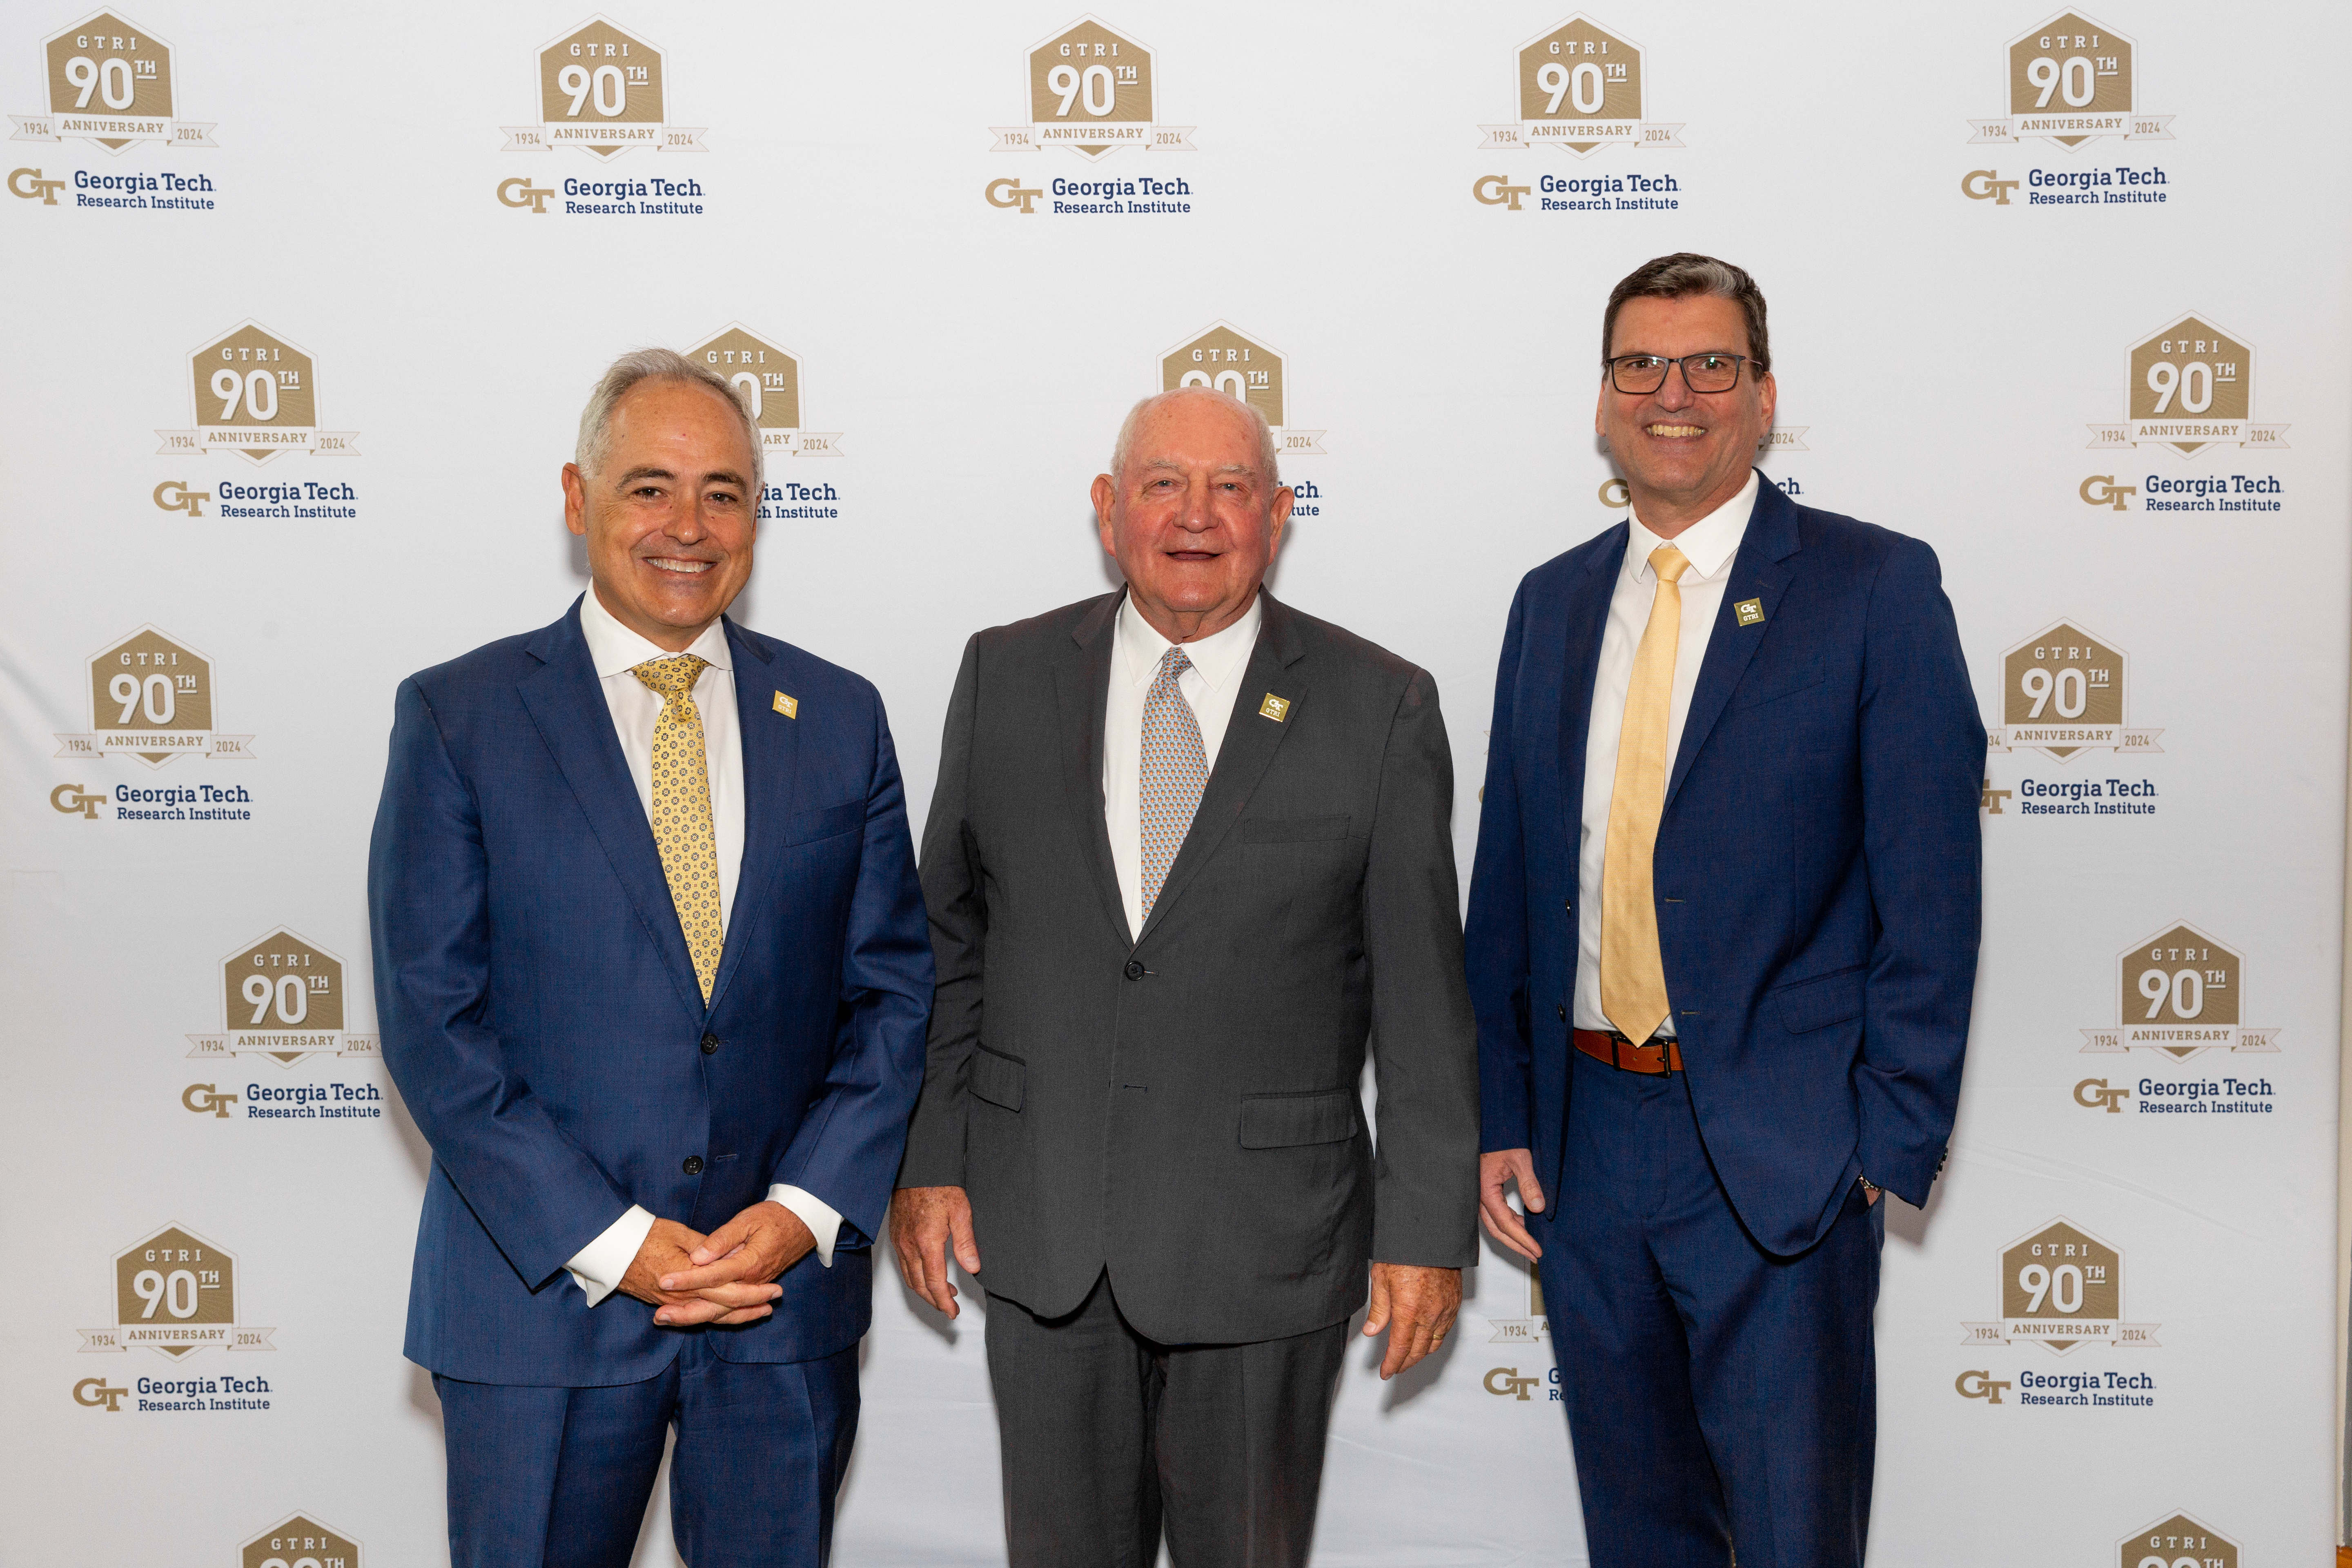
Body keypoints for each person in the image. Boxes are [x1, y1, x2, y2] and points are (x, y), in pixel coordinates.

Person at [891, 385, 1479, 1568]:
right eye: (1164, 484)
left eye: (1231, 487)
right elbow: (948, 946)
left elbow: (1424, 1004)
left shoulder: (1381, 705)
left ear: (1280, 512)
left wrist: (1426, 1232)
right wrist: (932, 1159)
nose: (1196, 515)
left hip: (1267, 1245)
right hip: (1045, 1227)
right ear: (1111, 510)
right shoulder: (1004, 675)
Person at [367, 348, 931, 1568]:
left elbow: (890, 996)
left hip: (776, 1306)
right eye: (650, 488)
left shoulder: (840, 717)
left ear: (758, 517)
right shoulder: (460, 717)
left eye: (724, 492)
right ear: (578, 500)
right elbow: (433, 1022)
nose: (690, 526)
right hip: (544, 1309)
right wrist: (620, 1244)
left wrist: (797, 1216)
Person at [1464, 253, 1984, 1568]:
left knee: (1796, 1535)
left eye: (1710, 364)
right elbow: (1513, 891)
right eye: (1641, 363)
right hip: (1586, 1155)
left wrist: (1881, 1140)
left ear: (1764, 398)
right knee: (1639, 1537)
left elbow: (1932, 889)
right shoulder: (1551, 601)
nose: (1673, 393)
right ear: (1603, 401)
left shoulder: (1875, 589)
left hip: (1781, 1155)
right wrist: (1505, 1115)